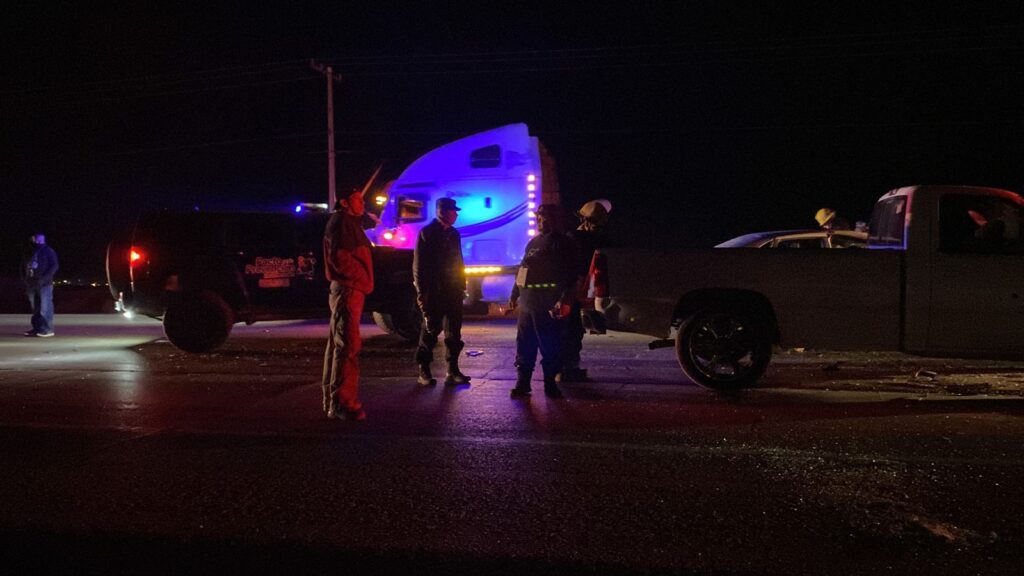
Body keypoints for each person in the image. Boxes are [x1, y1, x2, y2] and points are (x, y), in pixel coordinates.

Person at [508, 203, 580, 399]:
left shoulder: (564, 243)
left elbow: (572, 276)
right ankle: (523, 384)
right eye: (538, 216)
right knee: (525, 345)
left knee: (550, 346)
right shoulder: (533, 243)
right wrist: (514, 295)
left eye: (543, 215)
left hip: (548, 304)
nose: (539, 219)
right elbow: (523, 270)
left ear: (553, 218)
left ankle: (550, 385)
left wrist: (564, 300)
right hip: (528, 303)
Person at [321, 189, 374, 421]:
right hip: (349, 290)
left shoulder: (347, 223)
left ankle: (334, 401)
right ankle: (343, 403)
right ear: (344, 202)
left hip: (349, 289)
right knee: (348, 347)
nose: (362, 202)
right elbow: (340, 258)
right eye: (357, 198)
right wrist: (361, 280)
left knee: (340, 346)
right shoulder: (342, 223)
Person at [413, 197, 471, 386]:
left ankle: (452, 370)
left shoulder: (454, 233)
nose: (456, 215)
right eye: (453, 211)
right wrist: (422, 292)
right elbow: (419, 265)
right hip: (435, 291)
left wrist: (462, 285)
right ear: (442, 212)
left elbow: (459, 261)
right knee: (430, 330)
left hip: (453, 290)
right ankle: (424, 370)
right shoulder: (427, 233)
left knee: (454, 333)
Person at [560, 199, 612, 382]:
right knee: (571, 330)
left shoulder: (571, 237)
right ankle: (567, 369)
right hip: (572, 288)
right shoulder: (586, 240)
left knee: (571, 329)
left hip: (573, 288)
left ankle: (565, 368)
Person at [22, 233, 59, 338]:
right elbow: (24, 265)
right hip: (32, 284)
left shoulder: (48, 251)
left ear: (38, 239)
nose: (32, 240)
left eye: (34, 239)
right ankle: (38, 328)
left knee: (45, 307)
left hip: (44, 284)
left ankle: (47, 329)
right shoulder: (31, 251)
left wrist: (44, 279)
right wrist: (25, 279)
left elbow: (54, 266)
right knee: (36, 308)